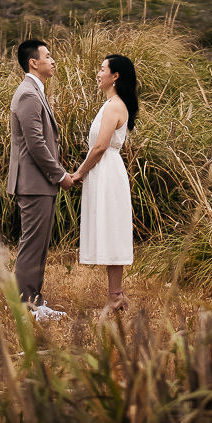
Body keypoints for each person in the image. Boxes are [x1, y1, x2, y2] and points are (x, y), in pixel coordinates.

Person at [7, 38, 73, 317]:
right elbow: (35, 143)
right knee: (32, 245)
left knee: (38, 245)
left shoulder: (36, 91)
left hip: (39, 184)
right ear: (33, 62)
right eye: (48, 56)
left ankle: (36, 302)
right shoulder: (28, 95)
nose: (53, 60)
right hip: (34, 184)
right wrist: (60, 175)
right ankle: (26, 306)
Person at [71, 53, 137, 313]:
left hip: (106, 171)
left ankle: (115, 295)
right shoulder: (112, 104)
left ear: (115, 76)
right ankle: (116, 294)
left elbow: (100, 146)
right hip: (104, 171)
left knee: (113, 229)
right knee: (110, 228)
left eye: (102, 69)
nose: (98, 74)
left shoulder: (114, 106)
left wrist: (79, 173)